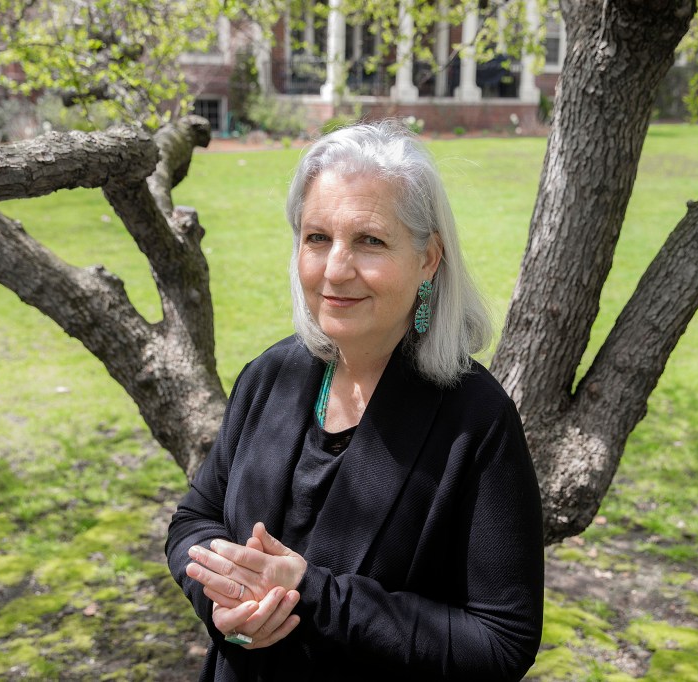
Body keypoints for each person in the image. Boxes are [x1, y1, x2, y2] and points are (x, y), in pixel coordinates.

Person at [166, 120, 544, 682]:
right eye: (318, 237)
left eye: (370, 240)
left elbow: (500, 644)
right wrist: (226, 602)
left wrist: (311, 594)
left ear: (429, 259)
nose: (336, 270)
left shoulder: (475, 421)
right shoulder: (271, 375)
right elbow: (194, 521)